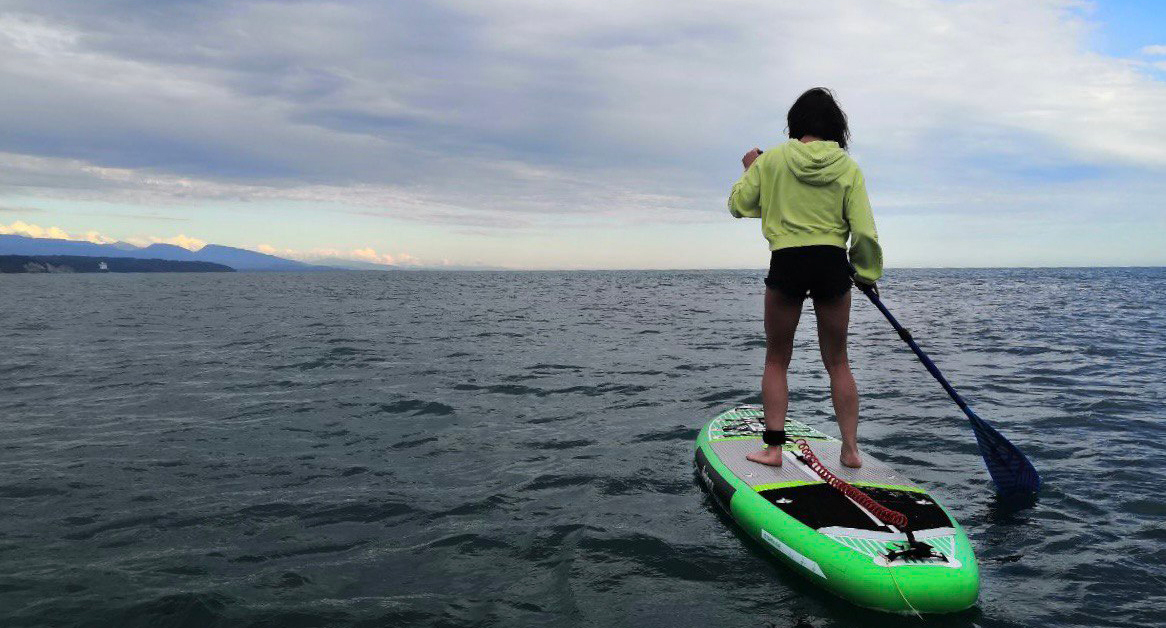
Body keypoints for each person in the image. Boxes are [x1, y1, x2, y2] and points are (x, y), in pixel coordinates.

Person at [727, 87, 882, 469]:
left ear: (795, 123)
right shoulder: (848, 167)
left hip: (787, 261)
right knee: (838, 361)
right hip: (831, 262)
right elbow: (864, 232)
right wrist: (866, 273)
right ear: (835, 126)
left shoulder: (772, 161)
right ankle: (850, 450)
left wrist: (752, 170)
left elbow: (739, 205)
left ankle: (773, 450)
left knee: (777, 359)